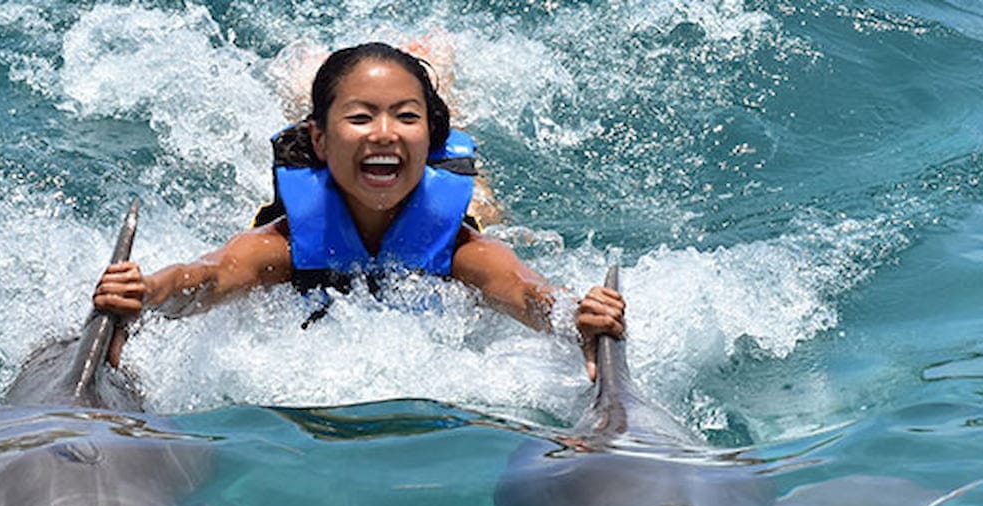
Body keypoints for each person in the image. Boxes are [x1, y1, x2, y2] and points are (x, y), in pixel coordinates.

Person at [92, 42, 626, 380]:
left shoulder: (464, 251)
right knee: (357, 126)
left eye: (405, 116)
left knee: (476, 194)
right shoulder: (281, 244)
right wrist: (149, 293)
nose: (385, 131)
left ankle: (433, 85)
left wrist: (575, 313)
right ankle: (317, 86)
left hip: (424, 183)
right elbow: (207, 278)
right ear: (321, 143)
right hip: (332, 168)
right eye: (363, 116)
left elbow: (528, 293)